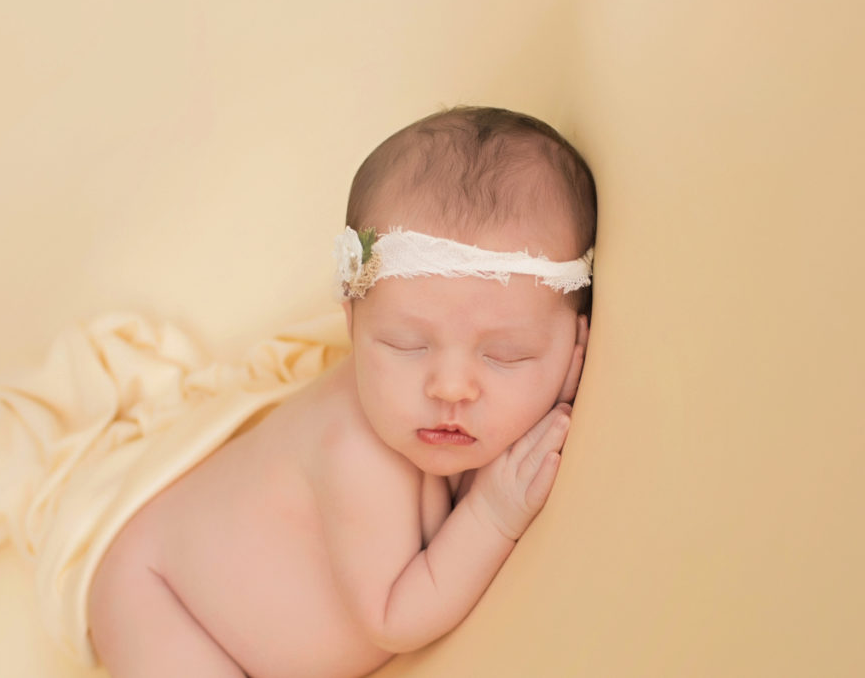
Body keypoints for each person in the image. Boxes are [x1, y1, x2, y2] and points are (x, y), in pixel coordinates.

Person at [87, 106, 596, 678]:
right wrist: (494, 515)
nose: (450, 387)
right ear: (353, 324)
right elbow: (394, 617)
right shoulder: (356, 451)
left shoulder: (438, 411)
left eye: (506, 356)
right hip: (164, 599)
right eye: (405, 344)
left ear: (574, 343)